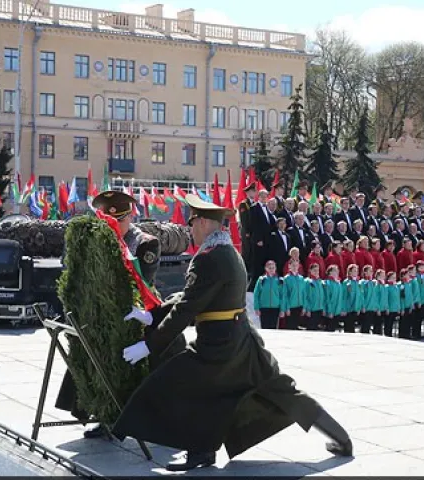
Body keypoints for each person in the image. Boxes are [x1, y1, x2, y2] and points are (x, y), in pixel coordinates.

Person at [111, 194, 353, 471]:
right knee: (282, 391)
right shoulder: (226, 251)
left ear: (202, 222)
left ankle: (190, 447)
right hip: (241, 341)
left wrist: (150, 344)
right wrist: (152, 314)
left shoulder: (210, 259)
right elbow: (192, 297)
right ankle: (341, 439)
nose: (189, 230)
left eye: (191, 224)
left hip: (218, 347)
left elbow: (188, 306)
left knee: (168, 383)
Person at [55, 190, 185, 438]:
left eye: (119, 221)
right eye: (109, 222)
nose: (115, 226)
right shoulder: (99, 241)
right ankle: (103, 415)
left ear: (129, 217)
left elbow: (143, 282)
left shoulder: (145, 242)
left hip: (139, 312)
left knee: (145, 363)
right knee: (92, 356)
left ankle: (137, 418)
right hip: (103, 311)